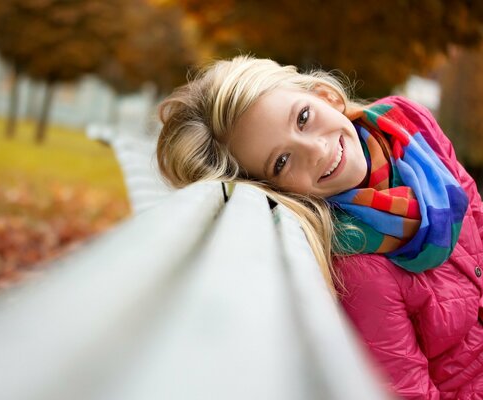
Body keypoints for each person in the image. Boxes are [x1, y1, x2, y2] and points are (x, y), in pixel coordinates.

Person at [156, 55, 483, 399]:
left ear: (324, 95)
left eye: (303, 118)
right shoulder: (359, 267)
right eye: (281, 162)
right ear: (277, 190)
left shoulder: (410, 130)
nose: (317, 149)